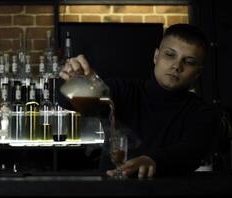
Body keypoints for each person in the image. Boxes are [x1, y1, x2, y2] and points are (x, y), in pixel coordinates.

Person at [59, 23, 220, 179]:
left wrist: (153, 160)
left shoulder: (203, 113)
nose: (177, 66)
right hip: (111, 190)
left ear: (198, 72)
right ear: (156, 56)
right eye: (170, 55)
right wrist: (77, 82)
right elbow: (70, 105)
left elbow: (190, 151)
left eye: (189, 62)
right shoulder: (123, 90)